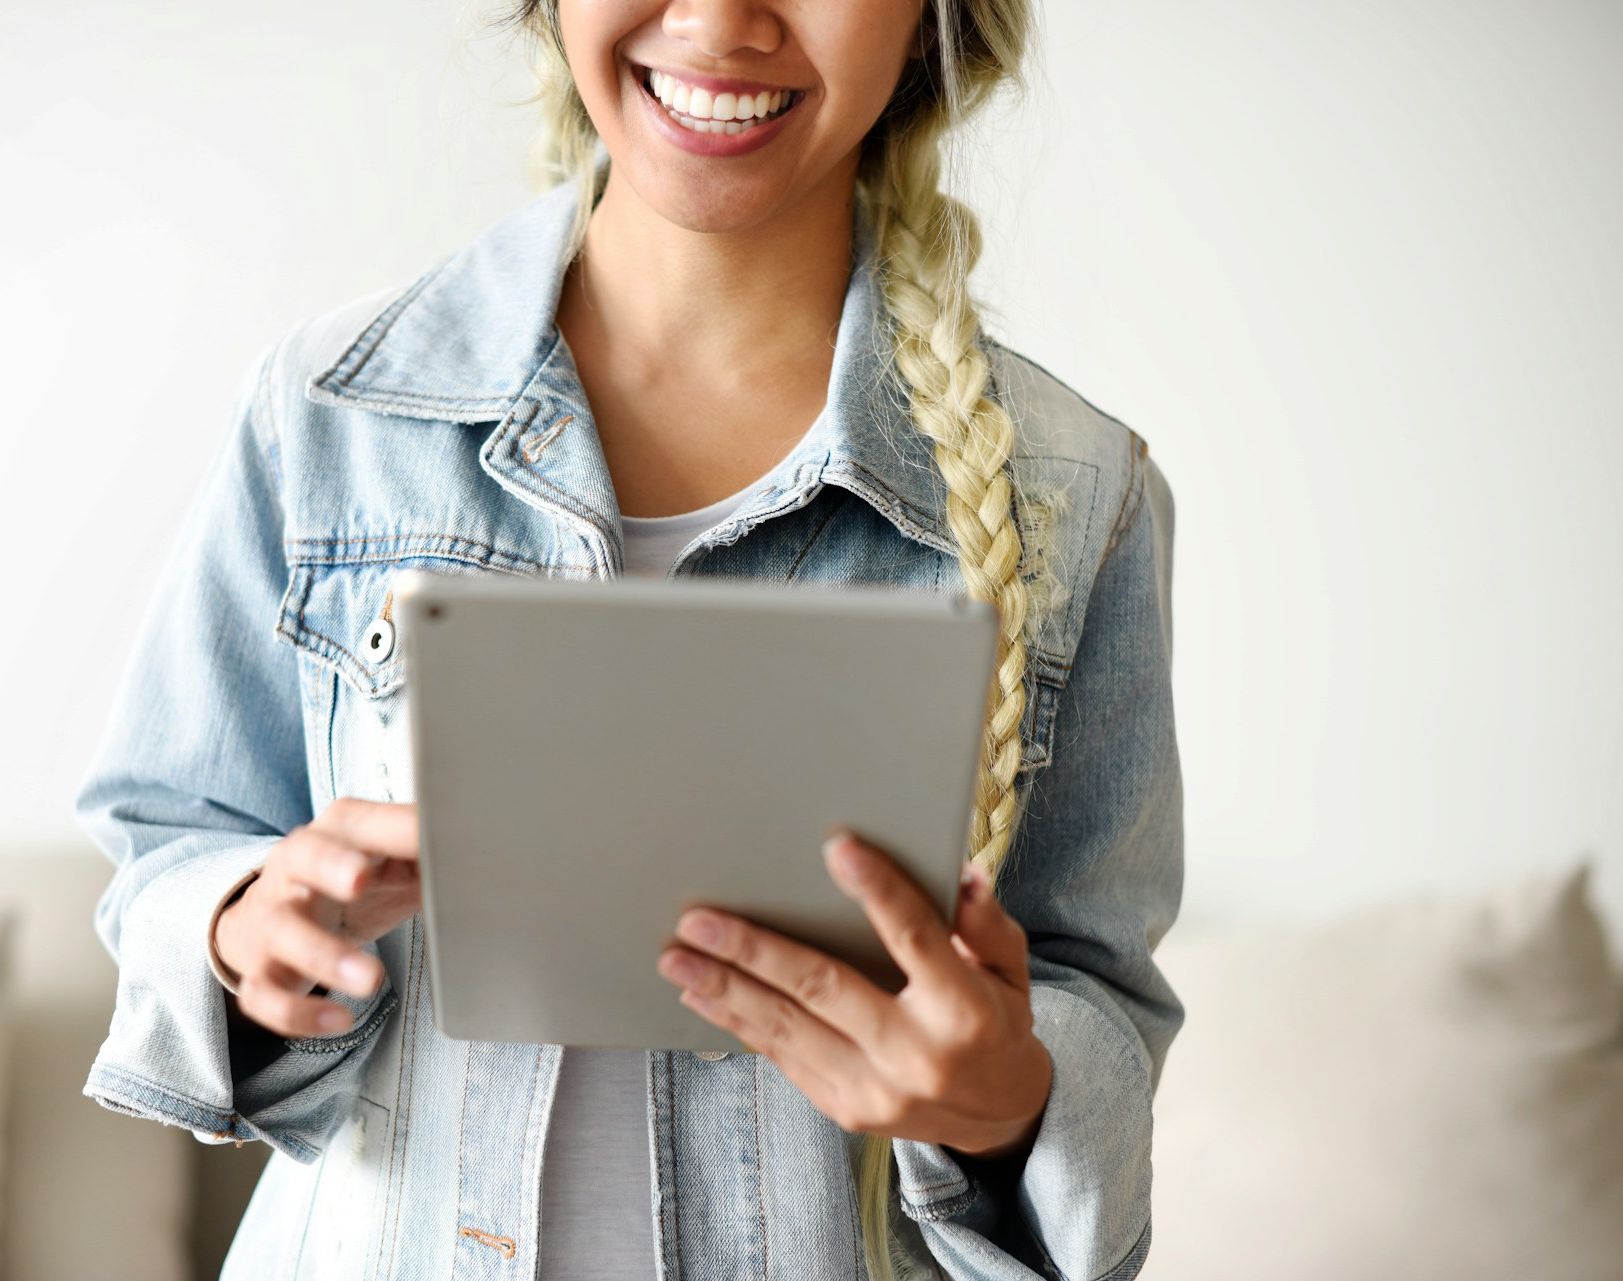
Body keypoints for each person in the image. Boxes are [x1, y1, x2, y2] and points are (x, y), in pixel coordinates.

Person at [75, 1, 1183, 1277]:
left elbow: (1095, 1000)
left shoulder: (1077, 495)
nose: (719, 19)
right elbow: (167, 837)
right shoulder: (325, 415)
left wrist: (1001, 1107)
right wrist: (239, 934)